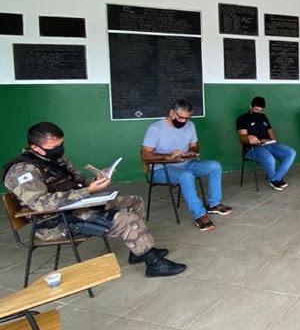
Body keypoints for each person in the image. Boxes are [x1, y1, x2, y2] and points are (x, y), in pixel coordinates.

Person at [3, 122, 186, 277]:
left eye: (61, 145)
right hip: (53, 222)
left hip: (77, 206)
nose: (59, 150)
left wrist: (96, 180)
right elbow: (41, 204)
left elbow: (79, 182)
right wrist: (87, 191)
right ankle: (153, 263)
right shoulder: (22, 171)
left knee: (134, 201)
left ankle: (138, 250)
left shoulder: (55, 159)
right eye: (54, 148)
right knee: (126, 219)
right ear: (35, 148)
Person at [141, 99, 233, 232]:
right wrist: (167, 156)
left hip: (186, 163)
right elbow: (145, 155)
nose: (184, 121)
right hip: (161, 169)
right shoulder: (155, 128)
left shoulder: (190, 125)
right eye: (181, 117)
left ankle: (214, 204)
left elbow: (194, 146)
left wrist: (191, 153)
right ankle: (200, 215)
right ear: (172, 113)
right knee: (186, 176)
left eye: (187, 118)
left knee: (215, 166)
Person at [236, 96, 297, 191]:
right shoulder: (243, 118)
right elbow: (242, 137)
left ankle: (275, 179)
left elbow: (270, 131)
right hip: (252, 148)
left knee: (291, 152)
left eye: (261, 110)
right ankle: (275, 179)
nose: (258, 112)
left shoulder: (263, 116)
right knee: (270, 159)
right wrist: (249, 137)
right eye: (256, 109)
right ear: (250, 106)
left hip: (269, 145)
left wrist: (274, 142)